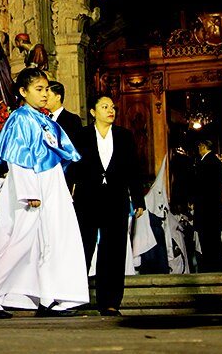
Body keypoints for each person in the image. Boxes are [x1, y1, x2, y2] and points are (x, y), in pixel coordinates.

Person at [0, 68, 88, 317]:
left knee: (47, 242)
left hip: (50, 184)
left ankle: (47, 297)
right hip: (33, 187)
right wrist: (29, 191)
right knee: (21, 241)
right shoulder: (20, 118)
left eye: (46, 89)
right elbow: (19, 158)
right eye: (39, 89)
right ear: (23, 92)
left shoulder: (42, 119)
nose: (45, 94)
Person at [67, 93, 146, 316]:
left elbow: (133, 168)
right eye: (104, 107)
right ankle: (75, 298)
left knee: (114, 251)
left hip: (116, 199)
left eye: (112, 107)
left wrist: (138, 199)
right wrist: (66, 193)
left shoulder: (124, 136)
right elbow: (72, 168)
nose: (110, 110)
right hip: (87, 199)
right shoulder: (81, 136)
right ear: (93, 112)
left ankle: (110, 302)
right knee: (83, 247)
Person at [192, 139, 222, 272]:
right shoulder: (217, 163)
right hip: (215, 210)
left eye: (199, 145)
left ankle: (210, 269)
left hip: (205, 211)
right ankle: (217, 268)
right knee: (215, 242)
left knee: (207, 243)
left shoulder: (205, 164)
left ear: (204, 146)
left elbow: (200, 188)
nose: (198, 148)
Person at [47, 81, 83, 145]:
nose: (44, 99)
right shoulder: (42, 118)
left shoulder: (72, 120)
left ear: (58, 97)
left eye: (48, 96)